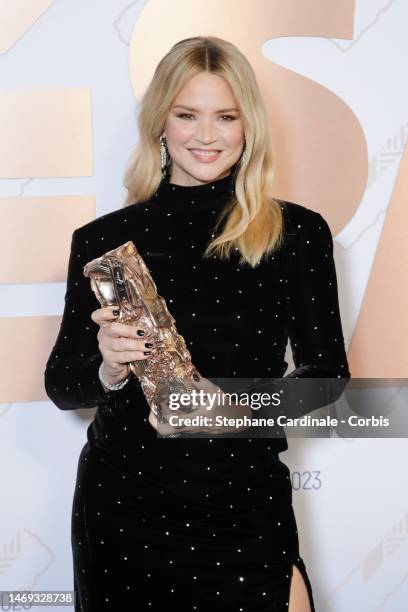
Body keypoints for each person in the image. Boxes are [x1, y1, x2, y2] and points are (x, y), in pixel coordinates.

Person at [44, 36, 350, 611]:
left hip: (242, 500)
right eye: (187, 115)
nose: (206, 136)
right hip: (123, 507)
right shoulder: (104, 240)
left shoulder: (296, 233)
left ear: (248, 125)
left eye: (225, 117)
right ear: (161, 119)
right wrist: (108, 367)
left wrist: (234, 407)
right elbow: (63, 386)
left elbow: (327, 377)